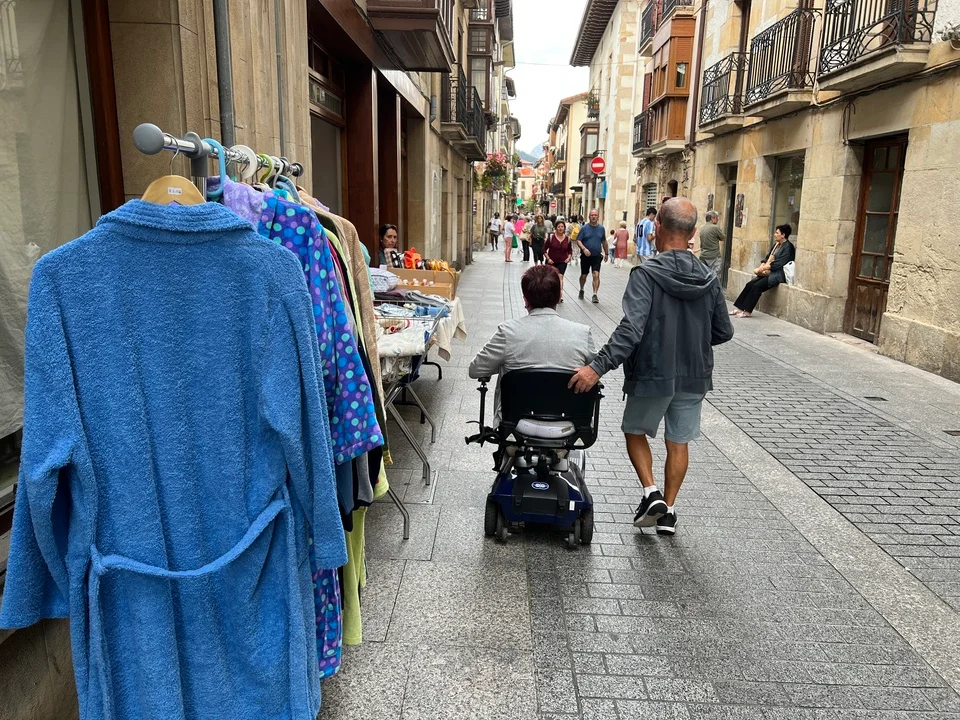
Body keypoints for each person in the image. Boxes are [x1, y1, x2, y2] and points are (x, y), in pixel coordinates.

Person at [568, 198, 734, 536]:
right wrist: (693, 342)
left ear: (657, 227)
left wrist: (596, 368)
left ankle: (651, 492)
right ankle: (668, 512)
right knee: (679, 441)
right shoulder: (709, 277)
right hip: (694, 374)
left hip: (653, 371)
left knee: (634, 430)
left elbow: (631, 329)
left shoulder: (646, 274)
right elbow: (724, 331)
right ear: (693, 233)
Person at [469, 264, 597, 424]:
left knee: (506, 368)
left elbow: (475, 370)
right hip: (570, 425)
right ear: (559, 296)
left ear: (525, 299)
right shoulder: (582, 333)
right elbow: (595, 373)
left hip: (516, 425)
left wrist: (505, 364)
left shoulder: (508, 332)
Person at [731, 224, 796, 317]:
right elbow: (768, 257)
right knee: (750, 284)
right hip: (769, 272)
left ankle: (747, 312)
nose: (774, 234)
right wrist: (762, 264)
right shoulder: (777, 245)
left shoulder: (788, 247)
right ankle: (740, 309)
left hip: (778, 274)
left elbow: (779, 263)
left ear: (783, 235)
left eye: (777, 233)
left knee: (757, 287)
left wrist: (764, 268)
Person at [576, 209, 608, 303]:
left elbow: (604, 241)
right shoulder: (584, 228)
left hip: (596, 256)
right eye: (592, 215)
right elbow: (578, 240)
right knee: (584, 275)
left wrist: (606, 253)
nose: (593, 217)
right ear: (589, 216)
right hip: (585, 256)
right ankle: (581, 289)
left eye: (595, 215)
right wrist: (584, 249)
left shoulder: (601, 229)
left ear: (598, 217)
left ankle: (595, 294)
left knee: (596, 274)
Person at [543, 219, 572, 300]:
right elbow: (544, 249)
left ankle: (559, 295)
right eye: (558, 227)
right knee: (551, 278)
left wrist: (569, 258)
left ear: (564, 228)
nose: (560, 228)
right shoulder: (551, 238)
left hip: (562, 261)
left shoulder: (567, 239)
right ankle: (550, 293)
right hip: (551, 262)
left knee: (560, 277)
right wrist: (548, 258)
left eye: (562, 226)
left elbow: (570, 250)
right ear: (555, 228)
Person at [699, 211, 725, 277]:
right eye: (716, 218)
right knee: (715, 276)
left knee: (704, 276)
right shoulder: (715, 228)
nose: (717, 220)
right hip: (714, 256)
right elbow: (723, 238)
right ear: (712, 218)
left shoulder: (702, 228)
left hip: (703, 255)